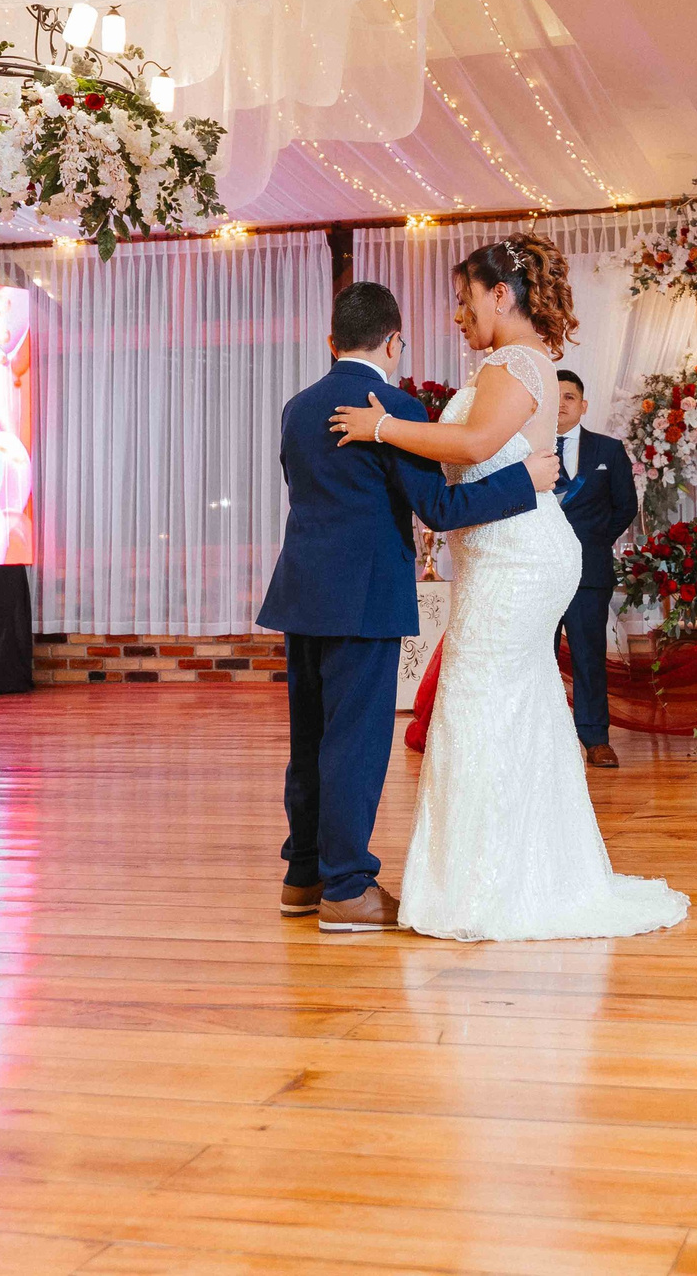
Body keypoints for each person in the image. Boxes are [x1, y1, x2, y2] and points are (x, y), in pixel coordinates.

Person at [329, 232, 688, 943]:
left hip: (519, 556)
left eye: (465, 300)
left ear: (501, 293)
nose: (458, 316)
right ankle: (530, 871)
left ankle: (483, 886)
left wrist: (383, 427)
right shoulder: (512, 363)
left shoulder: (516, 361)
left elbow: (471, 445)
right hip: (508, 550)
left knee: (474, 698)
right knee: (515, 703)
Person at [257, 282, 559, 933]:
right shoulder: (391, 406)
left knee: (309, 740)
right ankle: (346, 889)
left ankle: (303, 876)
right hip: (363, 597)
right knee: (357, 745)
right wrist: (524, 481)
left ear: (331, 341)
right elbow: (440, 509)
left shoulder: (297, 408)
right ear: (394, 341)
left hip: (301, 594)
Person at [551, 370, 638, 769]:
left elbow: (626, 506)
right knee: (538, 658)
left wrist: (594, 541)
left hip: (588, 572)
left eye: (569, 397)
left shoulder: (608, 450)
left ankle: (595, 739)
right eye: (554, 396)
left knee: (589, 656)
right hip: (536, 573)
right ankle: (545, 743)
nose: (561, 403)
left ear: (583, 406)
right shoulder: (522, 448)